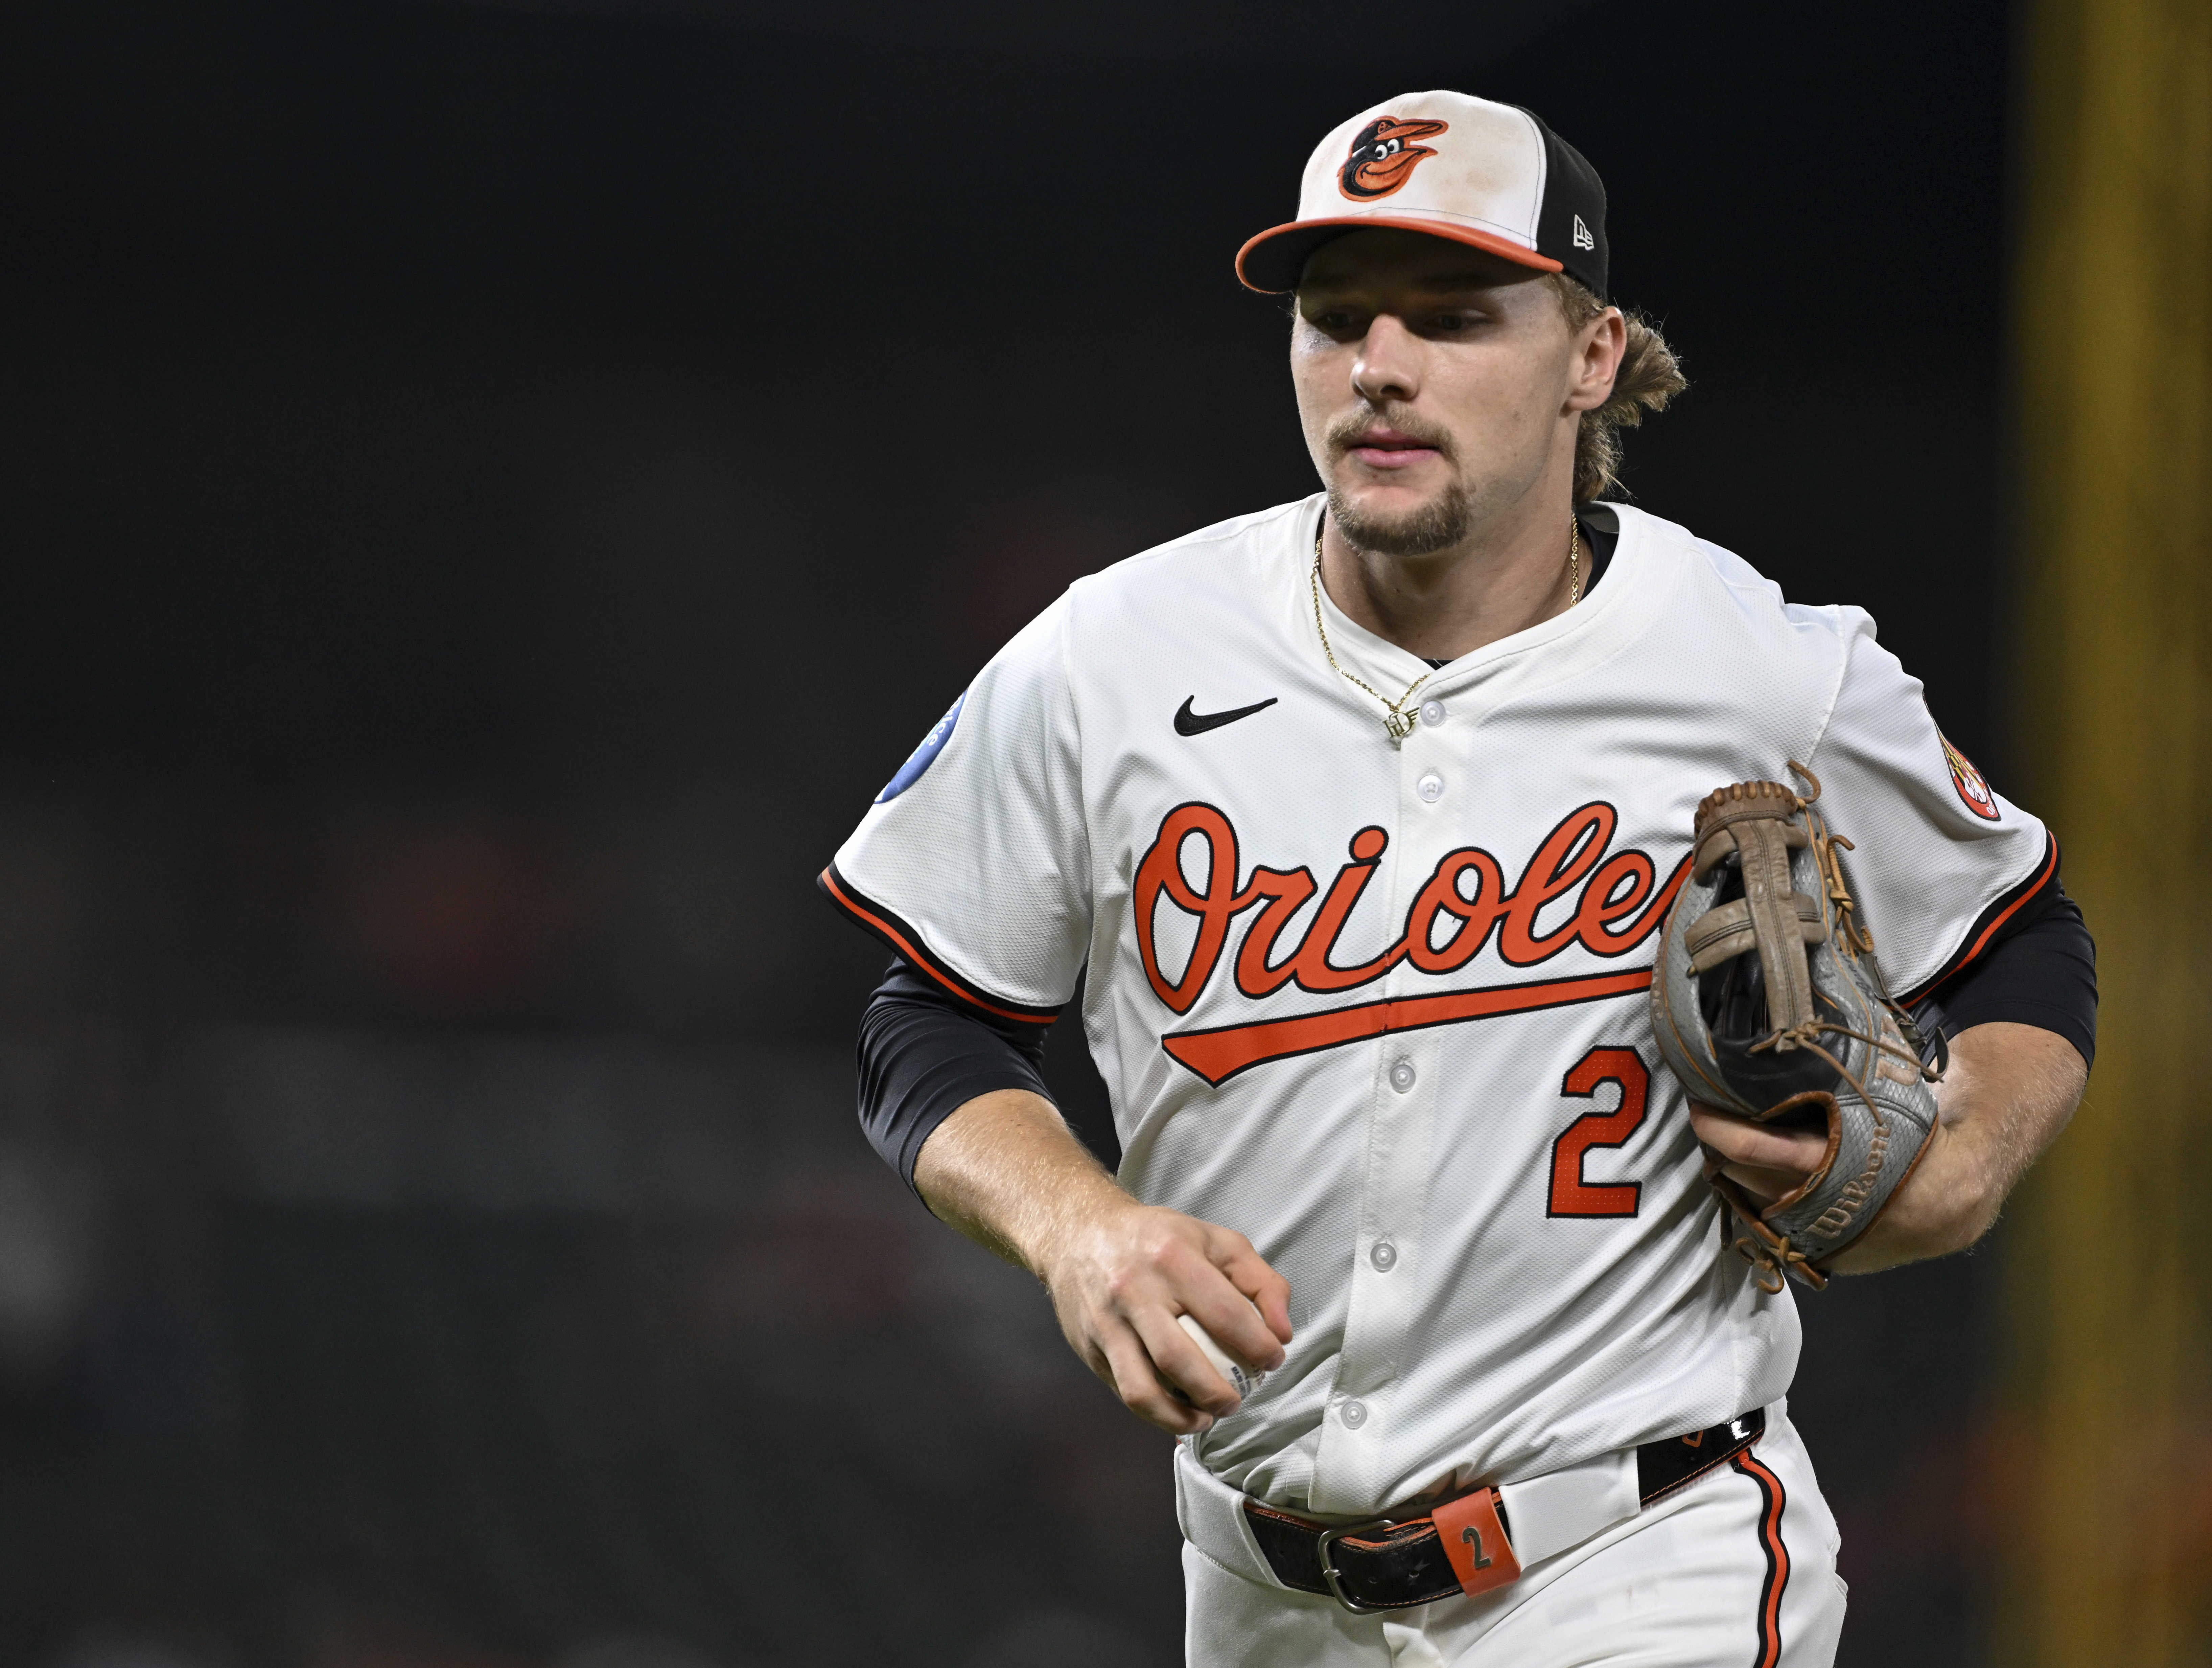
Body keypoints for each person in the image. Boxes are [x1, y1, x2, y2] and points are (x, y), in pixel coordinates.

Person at [823, 90, 2094, 1668]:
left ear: (1591, 355)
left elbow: (2019, 935)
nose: (1377, 365)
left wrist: (1970, 1149)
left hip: (1642, 1548)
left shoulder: (1759, 669)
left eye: (1452, 315)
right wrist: (1079, 1226)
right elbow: (923, 1020)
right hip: (1257, 1588)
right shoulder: (1113, 656)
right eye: (1332, 316)